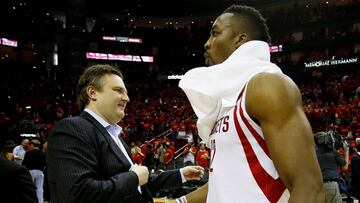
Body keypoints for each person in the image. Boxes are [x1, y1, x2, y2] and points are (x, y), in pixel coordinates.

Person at [177, 4, 324, 203]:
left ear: (240, 40)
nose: (207, 43)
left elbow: (309, 188)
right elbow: (228, 181)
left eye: (215, 34)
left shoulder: (267, 85)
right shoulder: (226, 101)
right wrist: (181, 202)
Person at [47, 64, 204, 203]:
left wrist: (180, 174)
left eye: (126, 92)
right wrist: (133, 178)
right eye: (118, 90)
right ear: (92, 92)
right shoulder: (71, 128)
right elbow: (77, 194)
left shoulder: (116, 138)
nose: (127, 98)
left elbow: (139, 184)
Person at [314, 132, 349, 203]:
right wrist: (346, 151)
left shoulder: (314, 153)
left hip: (316, 186)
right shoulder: (332, 152)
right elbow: (345, 167)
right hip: (330, 185)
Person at [22, 139, 46, 203]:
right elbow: (45, 164)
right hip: (40, 172)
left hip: (30, 172)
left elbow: (24, 164)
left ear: (32, 145)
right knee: (40, 188)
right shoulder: (42, 154)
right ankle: (40, 201)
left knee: (30, 188)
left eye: (30, 144)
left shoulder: (28, 153)